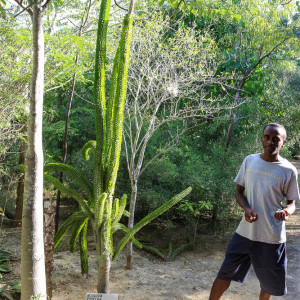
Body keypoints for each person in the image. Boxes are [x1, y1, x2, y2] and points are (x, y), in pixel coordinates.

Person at [209, 123, 300, 300]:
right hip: (244, 233)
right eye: (267, 137)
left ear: (284, 142)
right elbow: (238, 192)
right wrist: (247, 209)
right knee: (224, 276)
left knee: (268, 285)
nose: (270, 141)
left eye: (276, 139)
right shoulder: (249, 161)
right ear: (262, 138)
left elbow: (292, 203)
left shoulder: (288, 170)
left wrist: (286, 212)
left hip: (271, 237)